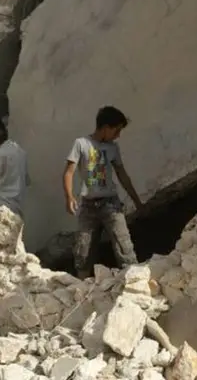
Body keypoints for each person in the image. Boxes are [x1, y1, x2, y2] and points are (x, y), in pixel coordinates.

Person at [62, 106, 142, 279]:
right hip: (88, 206)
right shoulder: (81, 144)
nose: (118, 135)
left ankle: (134, 282)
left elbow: (122, 175)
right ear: (105, 127)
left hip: (110, 204)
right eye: (117, 130)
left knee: (124, 246)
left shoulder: (113, 148)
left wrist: (136, 200)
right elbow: (69, 172)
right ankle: (80, 288)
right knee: (83, 250)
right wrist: (69, 197)